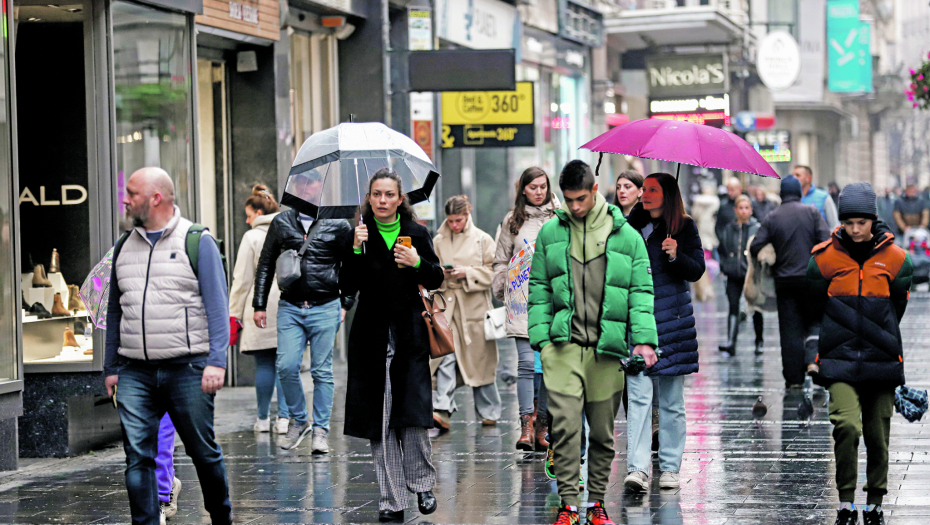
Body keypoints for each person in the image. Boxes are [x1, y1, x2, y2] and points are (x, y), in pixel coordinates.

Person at [528, 160, 658, 525]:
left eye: (581, 198)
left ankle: (596, 504)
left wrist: (644, 341)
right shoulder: (551, 233)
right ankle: (569, 504)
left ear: (595, 187)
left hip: (607, 351)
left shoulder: (626, 235)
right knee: (567, 429)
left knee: (602, 434)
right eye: (568, 200)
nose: (575, 207)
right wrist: (542, 339)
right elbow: (538, 287)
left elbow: (640, 292)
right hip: (563, 347)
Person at [104, 167, 232, 525]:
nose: (125, 199)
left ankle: (222, 517)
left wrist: (216, 361)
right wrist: (111, 367)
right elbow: (115, 310)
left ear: (156, 198)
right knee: (137, 459)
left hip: (187, 368)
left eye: (131, 192)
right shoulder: (122, 247)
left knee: (203, 453)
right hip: (135, 372)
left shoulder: (197, 241)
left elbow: (217, 307)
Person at [807, 182, 912, 525]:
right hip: (838, 361)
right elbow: (812, 304)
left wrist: (878, 331)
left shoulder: (897, 259)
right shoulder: (823, 257)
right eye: (848, 222)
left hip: (881, 362)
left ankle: (875, 504)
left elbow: (898, 304)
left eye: (861, 223)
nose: (854, 229)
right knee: (847, 428)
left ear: (873, 220)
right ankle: (846, 502)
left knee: (878, 438)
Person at [341, 168, 442, 522]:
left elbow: (437, 275)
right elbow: (346, 287)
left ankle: (422, 482)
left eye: (389, 194)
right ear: (368, 198)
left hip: (409, 336)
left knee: (413, 416)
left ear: (400, 199)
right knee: (379, 421)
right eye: (376, 194)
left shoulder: (416, 233)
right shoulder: (360, 235)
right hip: (371, 339)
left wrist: (416, 263)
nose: (382, 200)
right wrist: (354, 249)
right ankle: (392, 499)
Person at [252, 173, 355, 452]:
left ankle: (320, 430)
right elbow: (265, 263)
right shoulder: (281, 222)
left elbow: (351, 266)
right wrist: (258, 304)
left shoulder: (338, 224)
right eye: (302, 184)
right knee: (285, 366)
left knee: (322, 371)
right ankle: (299, 420)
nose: (307, 189)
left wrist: (346, 302)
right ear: (294, 189)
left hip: (326, 306)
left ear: (321, 188)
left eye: (312, 184)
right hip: (290, 306)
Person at [624, 173, 705, 494]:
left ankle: (670, 467)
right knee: (639, 398)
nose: (644, 194)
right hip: (638, 322)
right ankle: (638, 469)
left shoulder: (684, 226)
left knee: (672, 402)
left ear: (667, 194)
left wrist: (675, 255)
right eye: (643, 189)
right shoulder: (629, 226)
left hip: (673, 323)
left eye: (652, 190)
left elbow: (696, 270)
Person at [492, 167, 560, 451]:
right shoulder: (512, 221)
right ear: (523, 190)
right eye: (533, 187)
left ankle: (542, 424)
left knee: (545, 366)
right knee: (525, 364)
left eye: (543, 186)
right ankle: (526, 424)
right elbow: (499, 260)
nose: (539, 191)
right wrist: (504, 282)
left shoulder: (560, 217)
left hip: (552, 302)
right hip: (520, 301)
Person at [750, 176, 830, 387]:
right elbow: (826, 241)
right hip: (811, 279)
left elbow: (755, 245)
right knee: (814, 321)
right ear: (800, 192)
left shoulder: (772, 217)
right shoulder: (812, 213)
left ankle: (794, 378)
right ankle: (813, 361)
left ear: (781, 193)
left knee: (789, 330)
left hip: (784, 282)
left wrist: (773, 257)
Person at [431, 195, 502, 428]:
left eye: (458, 220)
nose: (454, 225)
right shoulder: (438, 240)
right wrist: (442, 273)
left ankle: (489, 411)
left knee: (480, 362)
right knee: (444, 358)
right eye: (450, 221)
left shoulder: (483, 239)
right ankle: (442, 410)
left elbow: (496, 272)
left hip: (473, 309)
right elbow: (430, 272)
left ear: (468, 214)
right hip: (446, 308)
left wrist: (468, 273)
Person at [228, 184, 290, 434]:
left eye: (249, 214)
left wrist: (233, 313)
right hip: (289, 303)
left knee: (265, 364)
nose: (246, 219)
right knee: (286, 364)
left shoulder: (251, 237)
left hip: (260, 304)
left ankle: (263, 419)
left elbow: (241, 280)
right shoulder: (287, 230)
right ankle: (284, 419)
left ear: (258, 212)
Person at [717, 195, 763, 355]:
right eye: (740, 208)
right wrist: (724, 265)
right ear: (735, 210)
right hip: (733, 273)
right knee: (733, 306)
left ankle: (759, 341)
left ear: (751, 210)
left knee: (756, 306)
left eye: (746, 208)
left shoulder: (756, 228)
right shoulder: (729, 228)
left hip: (751, 273)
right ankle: (731, 341)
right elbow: (722, 248)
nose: (743, 211)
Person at [714, 177, 743, 243]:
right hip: (727, 243)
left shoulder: (747, 203)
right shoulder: (724, 205)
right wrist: (723, 240)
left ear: (739, 189)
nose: (729, 193)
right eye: (728, 190)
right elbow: (718, 226)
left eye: (732, 190)